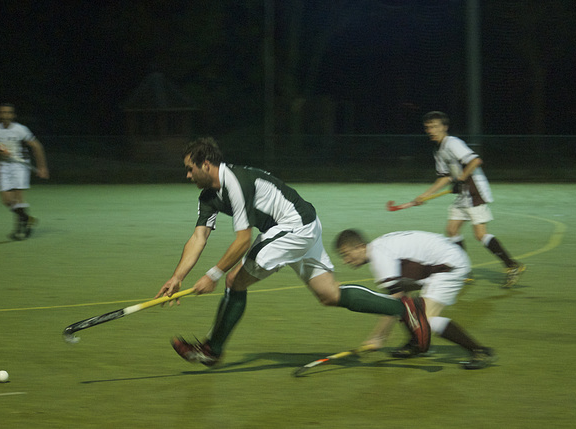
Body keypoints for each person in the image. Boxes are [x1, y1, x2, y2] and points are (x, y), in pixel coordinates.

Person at [154, 137, 430, 366]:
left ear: (206, 164)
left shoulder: (235, 182)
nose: (187, 175)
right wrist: (178, 276)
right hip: (303, 225)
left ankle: (212, 349)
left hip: (294, 226)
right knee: (329, 294)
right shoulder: (208, 196)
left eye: (191, 169)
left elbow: (242, 240)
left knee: (232, 280)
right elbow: (199, 236)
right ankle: (406, 309)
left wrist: (212, 274)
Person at [335, 228, 497, 370]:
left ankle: (480, 351)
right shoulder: (379, 248)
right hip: (442, 260)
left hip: (448, 265)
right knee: (409, 307)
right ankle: (416, 344)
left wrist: (379, 337)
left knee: (424, 318)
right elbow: (401, 295)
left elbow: (393, 303)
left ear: (360, 247)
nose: (345, 261)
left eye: (346, 255)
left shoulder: (379, 257)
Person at [413, 111, 524, 288]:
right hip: (463, 193)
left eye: (434, 126)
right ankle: (464, 270)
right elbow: (445, 177)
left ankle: (512, 266)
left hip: (474, 191)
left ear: (444, 127)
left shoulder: (453, 143)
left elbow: (475, 161)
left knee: (480, 234)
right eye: (428, 127)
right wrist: (424, 195)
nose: (431, 130)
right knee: (452, 229)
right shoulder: (438, 149)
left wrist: (462, 178)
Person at [0, 103, 49, 240]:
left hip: (19, 166)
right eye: (2, 112)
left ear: (13, 115)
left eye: (8, 112)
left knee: (18, 199)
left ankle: (19, 230)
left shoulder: (20, 129)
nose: (5, 115)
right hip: (3, 166)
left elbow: (37, 146)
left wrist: (42, 167)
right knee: (7, 201)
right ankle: (27, 219)